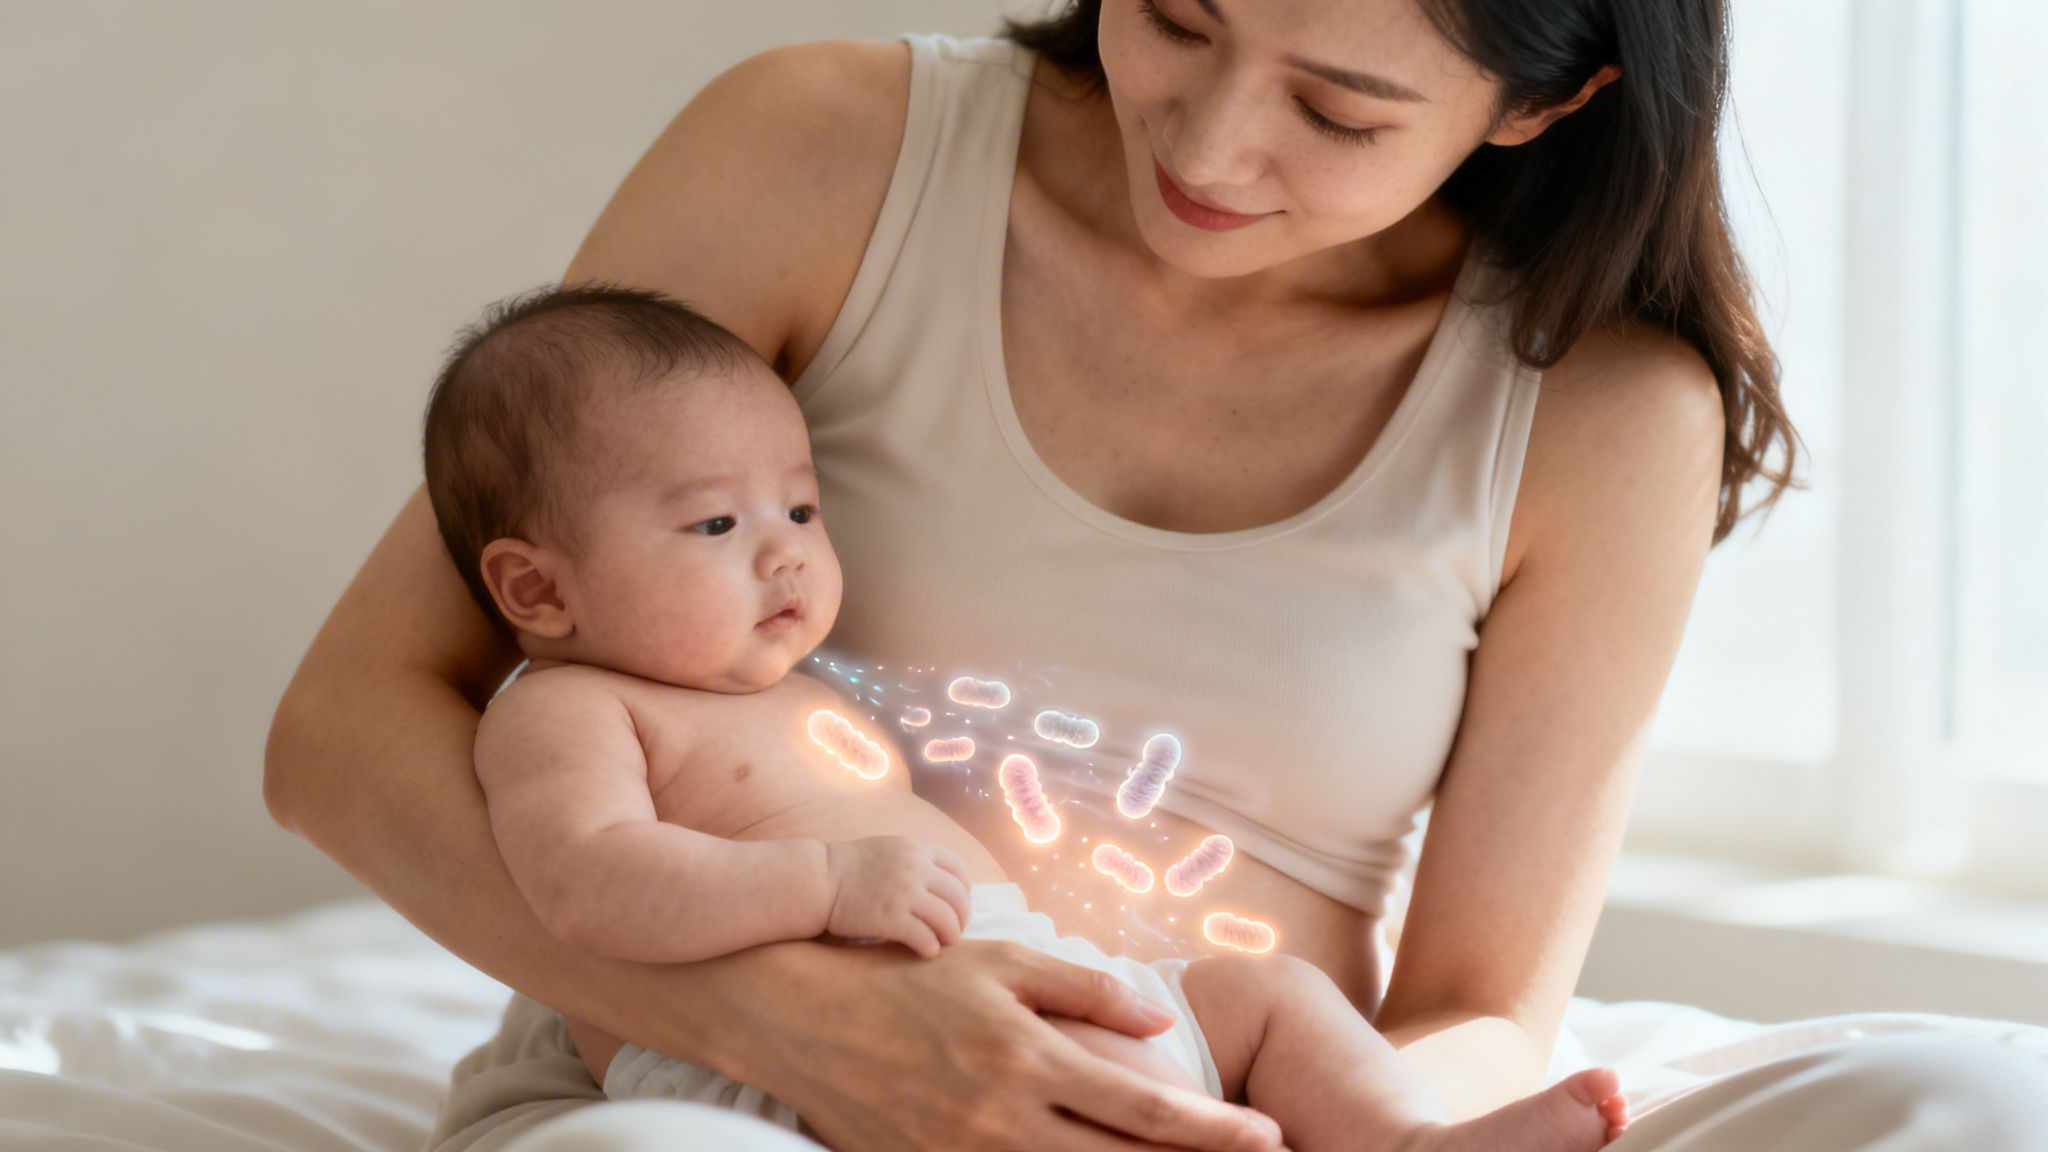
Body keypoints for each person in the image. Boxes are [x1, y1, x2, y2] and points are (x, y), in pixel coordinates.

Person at [265, 1, 2048, 1149]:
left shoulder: (1596, 411)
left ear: (1539, 102)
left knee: (1979, 1097)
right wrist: (824, 1038)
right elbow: (348, 728)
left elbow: (1483, 1004)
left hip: (1247, 1086)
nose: (1198, 148)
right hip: (737, 1081)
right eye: (1175, 17)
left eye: (1337, 110)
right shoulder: (825, 149)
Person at [420, 283, 1631, 1150]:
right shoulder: (566, 712)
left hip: (1056, 998)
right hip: (772, 1075)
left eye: (798, 509)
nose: (786, 558)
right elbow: (585, 888)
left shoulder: (790, 695)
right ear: (536, 587)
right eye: (715, 527)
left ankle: (1402, 1145)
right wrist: (825, 890)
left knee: (1266, 1000)